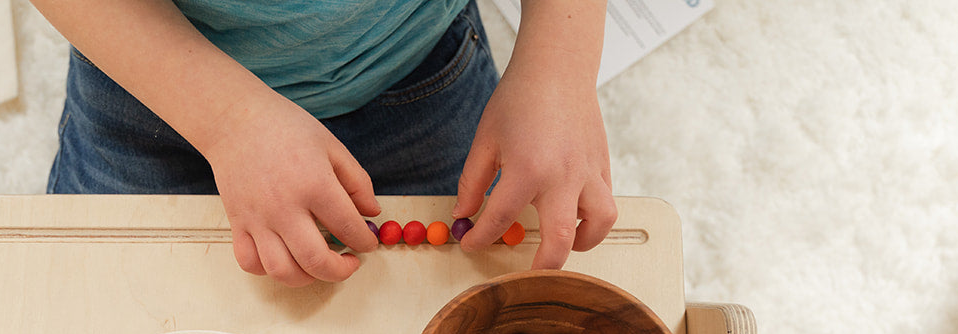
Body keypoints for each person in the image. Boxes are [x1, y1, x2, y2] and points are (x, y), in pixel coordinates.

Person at [34, 0, 616, 287]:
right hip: (159, 94)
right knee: (96, 323)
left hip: (415, 73)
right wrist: (229, 120)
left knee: (464, 299)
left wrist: (558, 70)